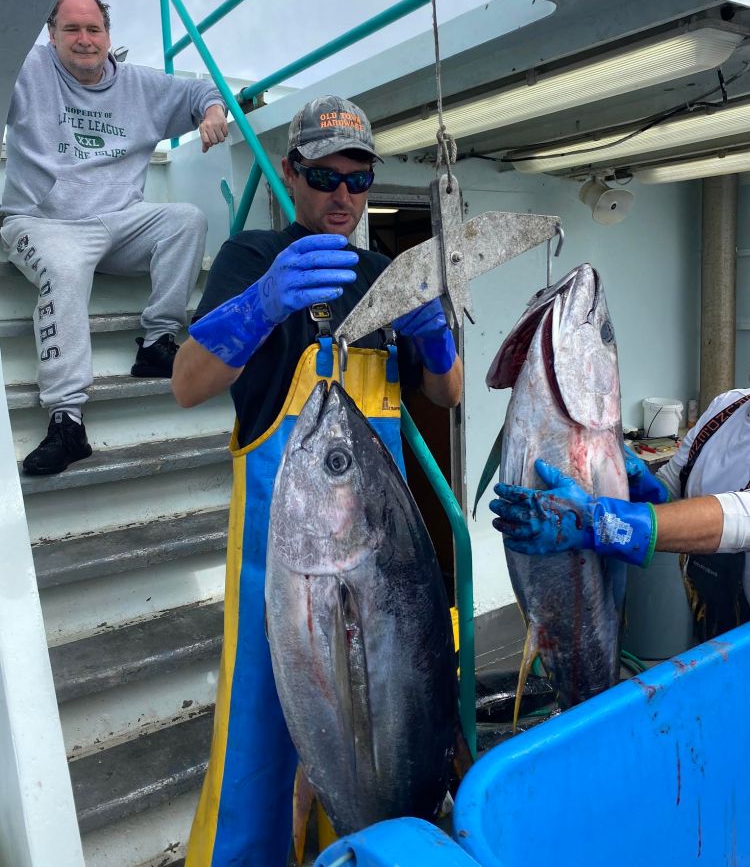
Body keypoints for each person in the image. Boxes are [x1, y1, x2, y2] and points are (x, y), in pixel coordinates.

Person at [171, 94, 462, 866]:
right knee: (255, 752)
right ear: (292, 179)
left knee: (393, 738)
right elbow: (187, 383)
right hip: (282, 571)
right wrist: (259, 307)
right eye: (324, 176)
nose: (342, 195)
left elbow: (450, 394)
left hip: (386, 569)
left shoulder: (387, 276)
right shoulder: (253, 261)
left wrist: (434, 342)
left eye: (358, 179)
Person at [0, 0, 229, 476]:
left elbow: (199, 90)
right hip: (43, 222)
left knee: (187, 220)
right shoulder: (26, 68)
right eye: (72, 30)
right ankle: (67, 420)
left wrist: (212, 112)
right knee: (61, 269)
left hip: (120, 223)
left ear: (108, 34)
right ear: (51, 34)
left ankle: (156, 342)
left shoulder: (138, 85)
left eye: (93, 29)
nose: (84, 40)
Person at [489, 387, 750, 641]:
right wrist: (643, 485)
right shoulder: (727, 407)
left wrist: (597, 522)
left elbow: (733, 520)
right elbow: (673, 490)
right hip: (706, 610)